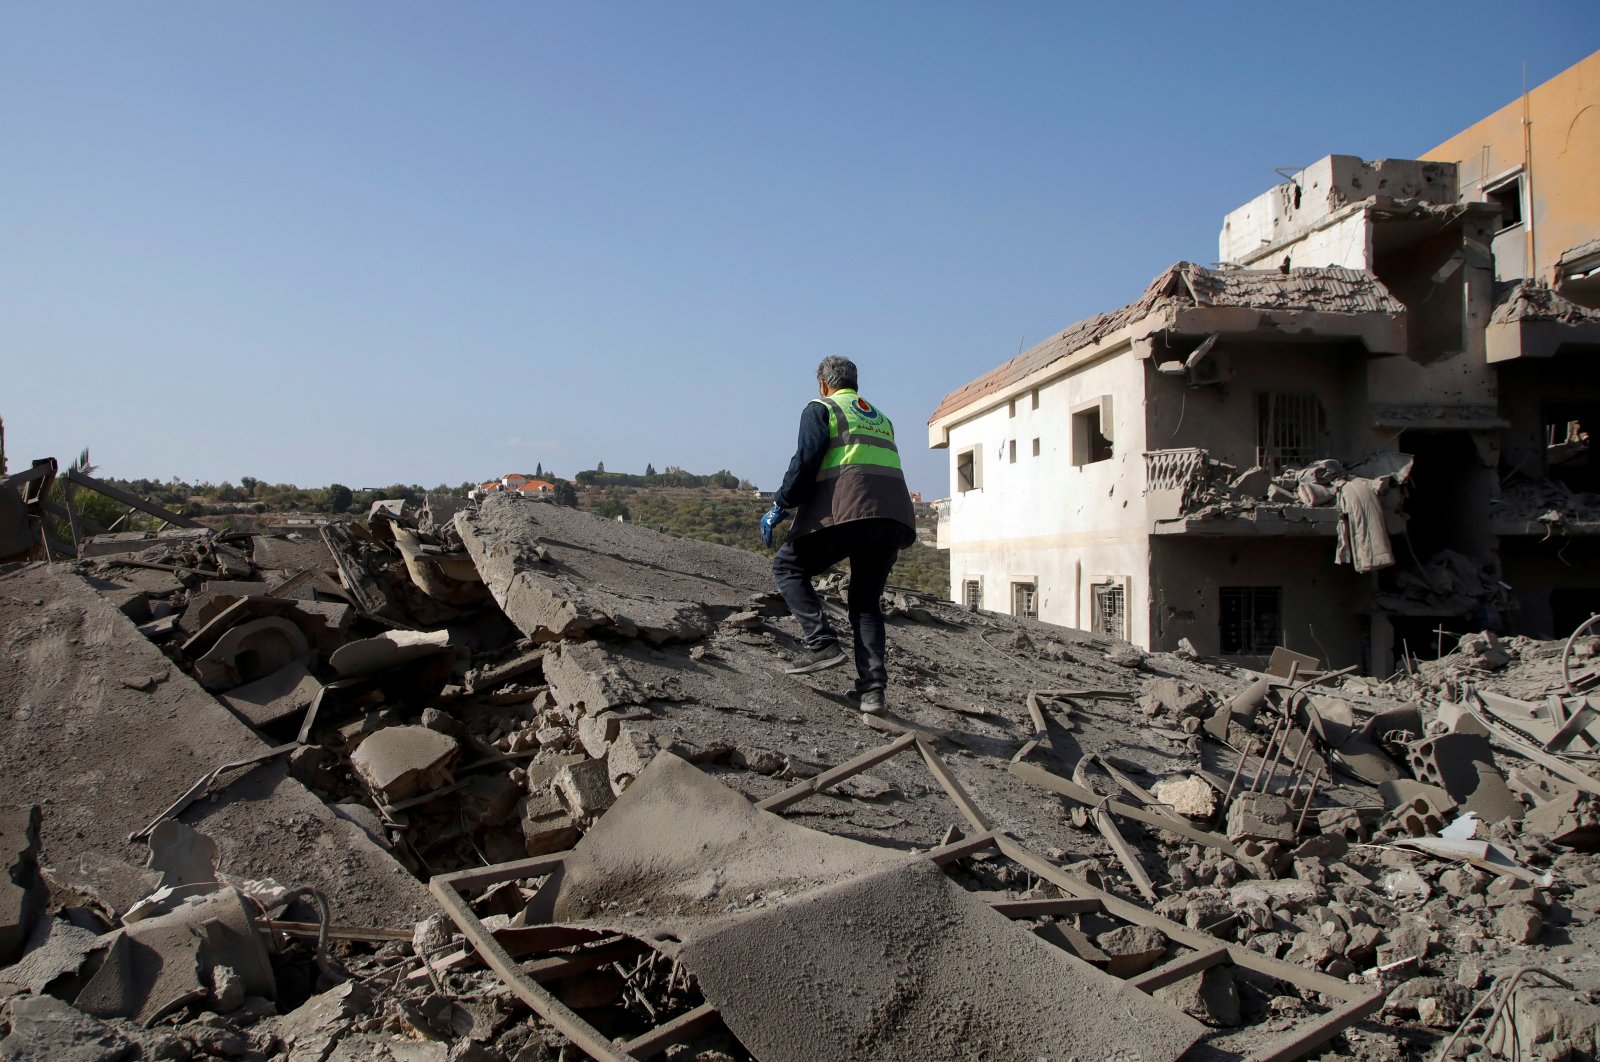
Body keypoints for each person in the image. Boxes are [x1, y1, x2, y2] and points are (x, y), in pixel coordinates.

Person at [760, 356, 917, 714]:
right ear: (855, 383)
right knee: (865, 603)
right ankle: (872, 691)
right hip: (893, 518)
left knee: (788, 566)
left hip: (849, 511)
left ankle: (821, 643)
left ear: (823, 384)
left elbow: (806, 460)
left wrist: (780, 505)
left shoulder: (822, 408)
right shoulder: (881, 418)